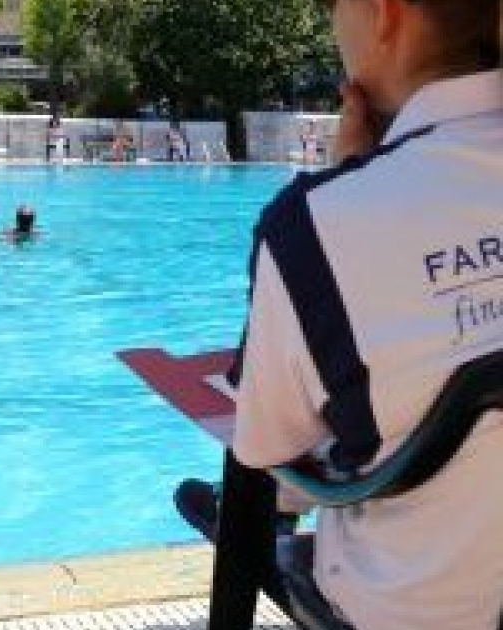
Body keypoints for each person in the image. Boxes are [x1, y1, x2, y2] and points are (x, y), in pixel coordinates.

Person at [176, 1, 503, 629]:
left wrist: (350, 182)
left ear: (385, 13)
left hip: (417, 609)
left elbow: (265, 446)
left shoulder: (313, 227)